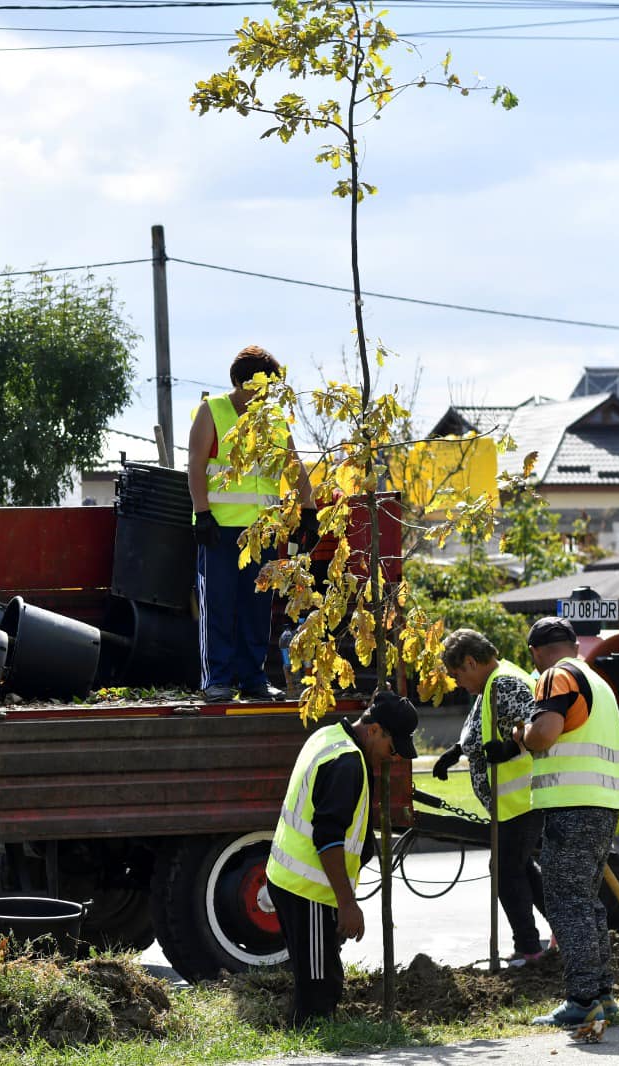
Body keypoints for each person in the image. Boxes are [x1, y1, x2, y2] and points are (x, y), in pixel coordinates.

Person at [266, 690, 420, 1027]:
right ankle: (312, 1043)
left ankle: (309, 1033)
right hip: (308, 890)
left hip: (297, 882)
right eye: (393, 748)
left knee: (320, 977)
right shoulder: (347, 763)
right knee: (319, 993)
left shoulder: (328, 735)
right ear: (376, 729)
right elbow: (327, 837)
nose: (392, 757)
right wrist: (347, 904)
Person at [515, 617, 619, 1027]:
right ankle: (603, 996)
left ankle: (584, 999)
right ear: (572, 643)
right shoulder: (596, 680)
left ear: (536, 652)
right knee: (586, 902)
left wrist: (523, 735)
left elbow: (546, 733)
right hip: (603, 805)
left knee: (566, 903)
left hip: (573, 805)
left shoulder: (554, 676)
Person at [187, 345, 315, 702]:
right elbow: (196, 466)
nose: (264, 394)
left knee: (257, 608)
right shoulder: (211, 412)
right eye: (258, 386)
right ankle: (217, 680)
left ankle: (253, 679)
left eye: (269, 387)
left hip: (263, 533)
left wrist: (309, 509)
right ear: (239, 382)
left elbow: (293, 465)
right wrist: (202, 514)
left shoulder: (274, 419)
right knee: (219, 606)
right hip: (220, 530)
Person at [434, 629, 549, 966]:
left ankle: (528, 948)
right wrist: (456, 751)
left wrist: (512, 747)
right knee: (522, 869)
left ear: (471, 661)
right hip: (512, 803)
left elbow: (536, 726)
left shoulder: (506, 683)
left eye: (458, 674)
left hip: (521, 801)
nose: (457, 682)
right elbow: (483, 728)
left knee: (504, 871)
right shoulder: (492, 684)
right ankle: (560, 936)